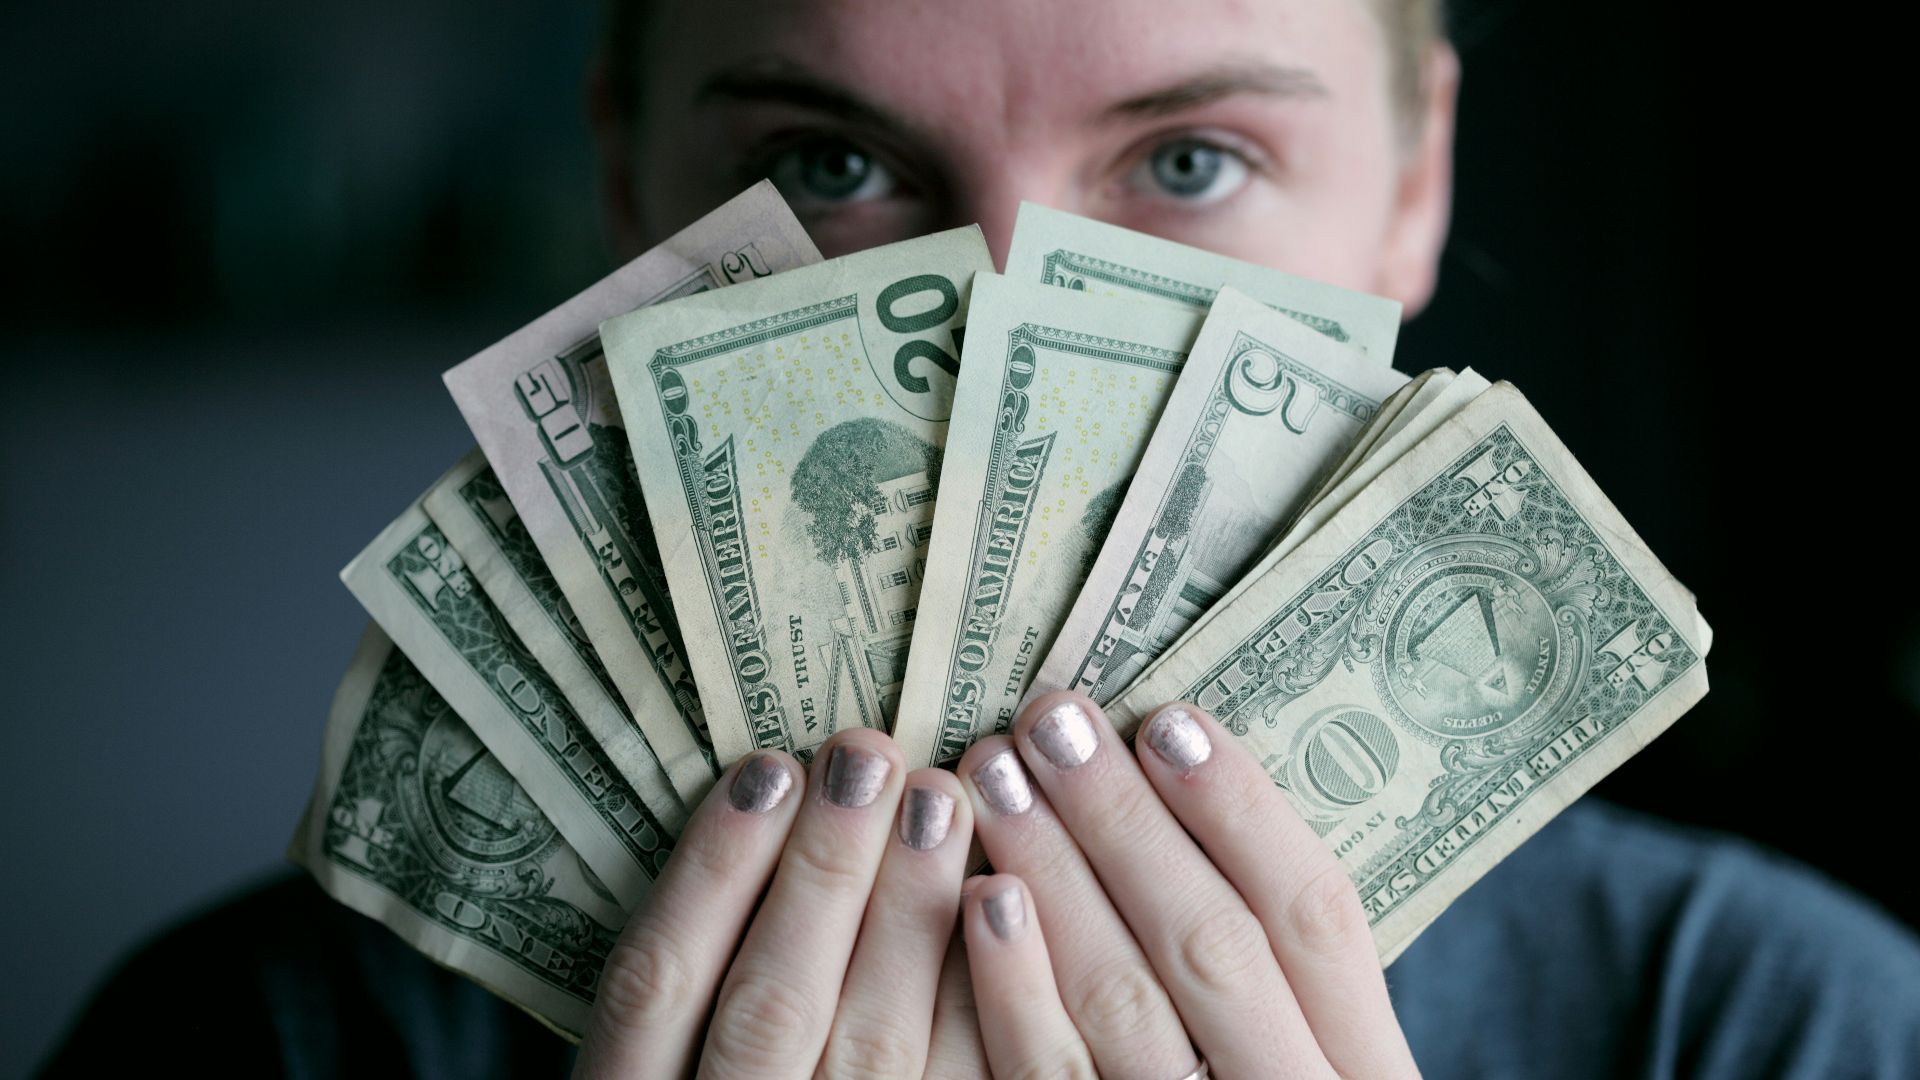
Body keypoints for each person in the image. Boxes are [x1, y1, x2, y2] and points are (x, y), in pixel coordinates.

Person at [42, 1, 1920, 1077]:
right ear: (627, 187)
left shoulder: (1786, 1029)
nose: (1002, 315)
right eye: (833, 166)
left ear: (1415, 188)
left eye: (1187, 163)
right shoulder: (250, 1047)